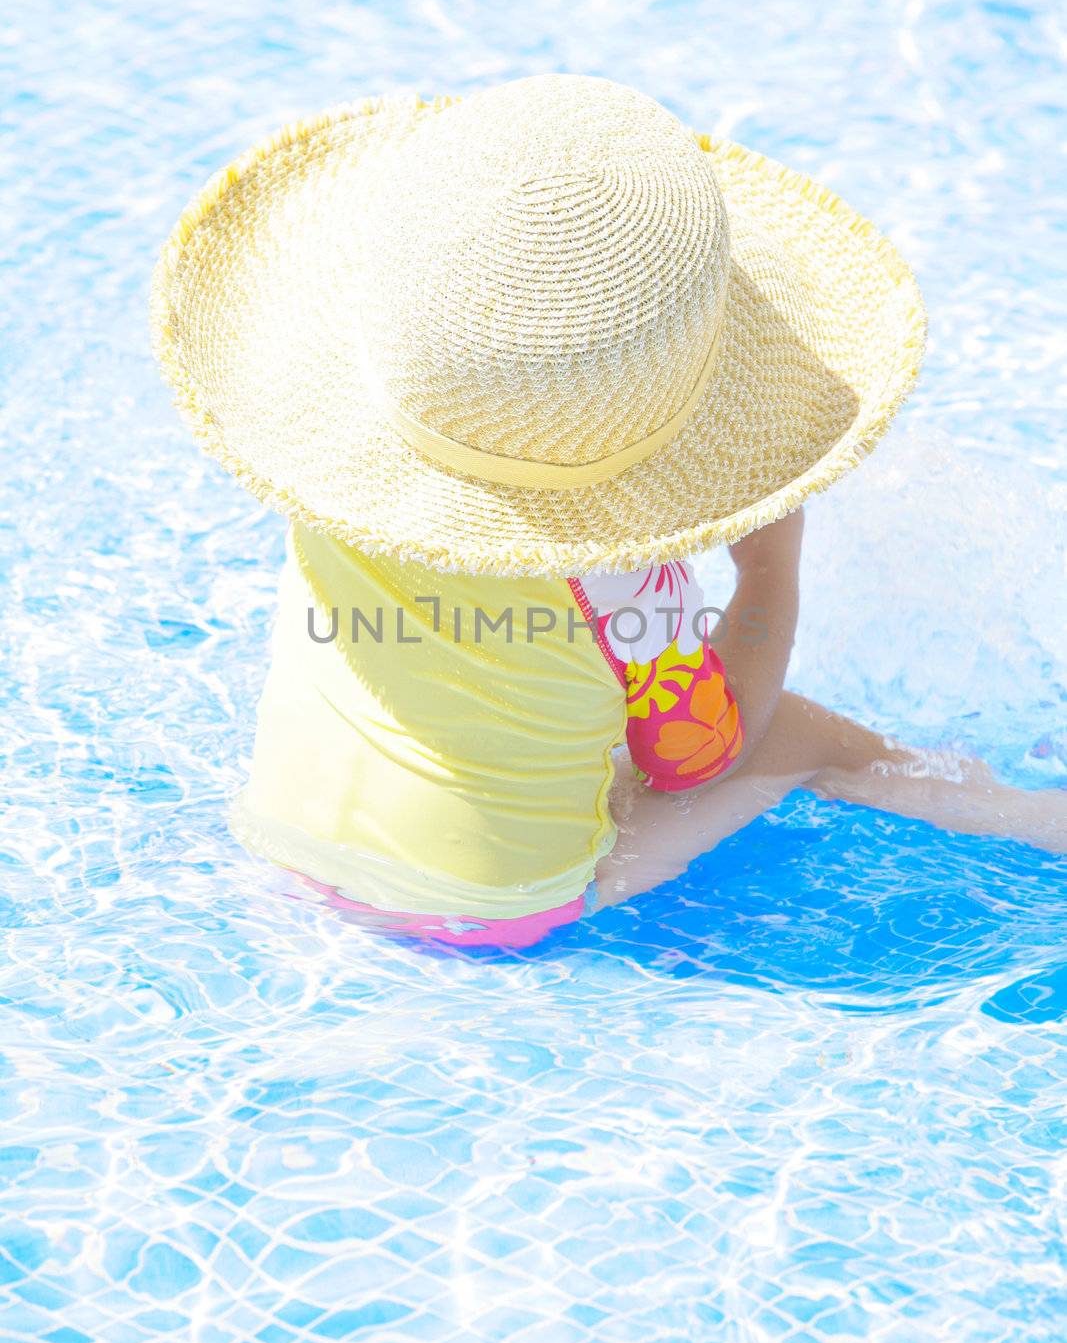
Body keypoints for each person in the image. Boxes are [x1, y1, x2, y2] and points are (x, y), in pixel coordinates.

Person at [152, 73, 1064, 950]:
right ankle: (1019, 815)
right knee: (795, 727)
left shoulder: (331, 467)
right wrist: (767, 567)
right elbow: (699, 756)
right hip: (487, 908)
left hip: (281, 846)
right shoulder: (617, 573)